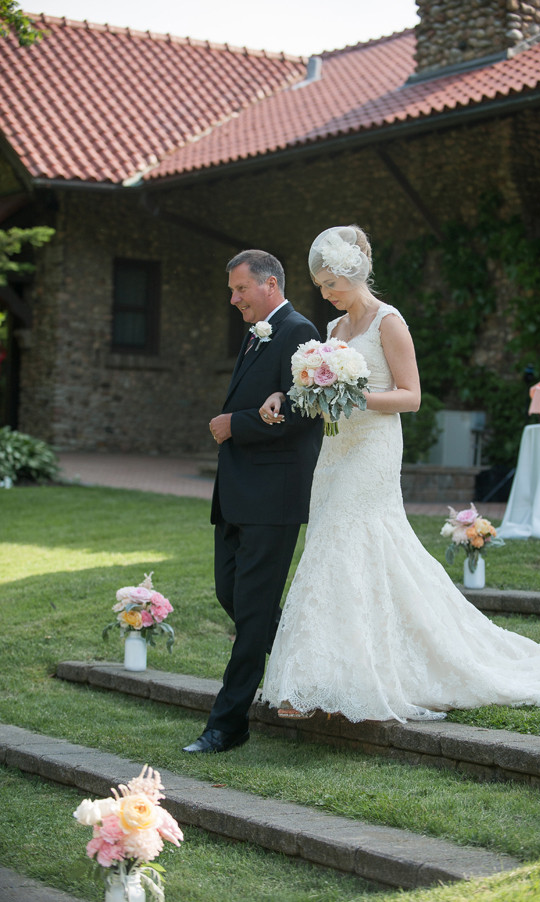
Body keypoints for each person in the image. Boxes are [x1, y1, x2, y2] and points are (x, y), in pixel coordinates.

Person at [260, 225, 540, 723]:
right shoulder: (332, 333)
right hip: (335, 452)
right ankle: (324, 674)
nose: (324, 293)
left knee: (342, 539)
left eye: (329, 282)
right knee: (335, 546)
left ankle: (329, 680)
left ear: (352, 273)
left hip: (374, 448)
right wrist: (292, 397)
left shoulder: (388, 323)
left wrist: (353, 397)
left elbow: (411, 396)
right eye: (319, 285)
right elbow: (315, 393)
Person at [183, 249, 322, 753]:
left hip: (274, 494)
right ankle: (309, 670)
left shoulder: (300, 331)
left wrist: (234, 425)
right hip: (239, 494)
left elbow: (305, 413)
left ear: (269, 284)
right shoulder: (257, 332)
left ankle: (228, 722)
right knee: (235, 597)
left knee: (253, 611)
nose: (233, 298)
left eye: (240, 289)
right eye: (232, 290)